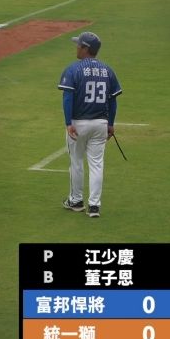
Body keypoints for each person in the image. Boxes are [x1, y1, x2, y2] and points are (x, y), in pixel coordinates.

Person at [58, 32, 122, 218]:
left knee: (76, 162)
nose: (76, 47)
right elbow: (113, 100)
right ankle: (94, 206)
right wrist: (110, 124)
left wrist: (68, 123)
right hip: (100, 124)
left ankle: (76, 201)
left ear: (85, 48)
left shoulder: (73, 70)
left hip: (79, 124)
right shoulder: (107, 70)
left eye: (79, 45)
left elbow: (67, 98)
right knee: (96, 164)